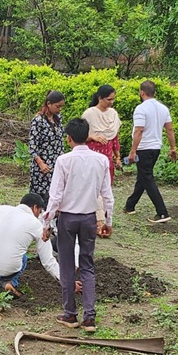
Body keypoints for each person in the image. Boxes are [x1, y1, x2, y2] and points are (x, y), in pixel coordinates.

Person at [42, 118, 113, 332]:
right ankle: (89, 317)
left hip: (68, 219)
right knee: (87, 265)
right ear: (87, 136)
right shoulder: (101, 160)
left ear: (69, 138)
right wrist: (108, 221)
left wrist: (46, 223)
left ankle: (70, 314)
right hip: (89, 218)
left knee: (66, 265)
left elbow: (55, 196)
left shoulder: (64, 161)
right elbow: (107, 195)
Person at [0, 192, 61, 297]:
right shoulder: (37, 225)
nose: (38, 215)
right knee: (23, 258)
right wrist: (66, 281)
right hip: (9, 272)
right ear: (35, 208)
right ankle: (10, 282)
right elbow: (47, 261)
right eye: (40, 212)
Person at [124, 80, 176, 223]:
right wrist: (173, 148)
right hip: (156, 147)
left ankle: (162, 212)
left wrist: (133, 151)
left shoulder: (141, 109)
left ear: (142, 92)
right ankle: (130, 206)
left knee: (147, 178)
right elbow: (170, 129)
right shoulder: (163, 108)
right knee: (143, 177)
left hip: (143, 148)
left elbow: (139, 130)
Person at [82, 84, 121, 237]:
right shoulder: (89, 114)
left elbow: (115, 138)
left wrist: (117, 156)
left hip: (107, 160)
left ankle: (104, 220)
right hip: (92, 157)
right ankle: (98, 222)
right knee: (93, 190)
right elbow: (78, 136)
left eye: (113, 99)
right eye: (109, 99)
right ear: (100, 98)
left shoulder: (113, 114)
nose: (111, 102)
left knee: (106, 191)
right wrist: (92, 137)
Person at [28, 91, 65, 204]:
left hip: (56, 165)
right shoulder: (38, 121)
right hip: (42, 168)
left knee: (55, 197)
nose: (59, 109)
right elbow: (32, 146)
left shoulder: (58, 118)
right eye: (57, 106)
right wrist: (40, 163)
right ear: (49, 104)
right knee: (41, 200)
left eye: (61, 107)